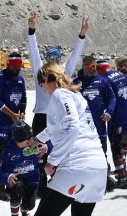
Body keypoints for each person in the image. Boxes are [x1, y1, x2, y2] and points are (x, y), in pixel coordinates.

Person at [34, 62, 108, 216]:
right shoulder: (76, 95)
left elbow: (72, 127)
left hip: (77, 166)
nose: (42, 88)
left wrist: (52, 161)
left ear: (47, 81)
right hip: (98, 168)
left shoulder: (60, 94)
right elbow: (62, 126)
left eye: (41, 83)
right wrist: (38, 139)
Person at [28, 13, 88, 194]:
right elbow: (33, 52)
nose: (53, 60)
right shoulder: (41, 71)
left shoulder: (64, 73)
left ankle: (57, 185)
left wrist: (82, 35)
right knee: (38, 153)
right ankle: (40, 185)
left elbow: (76, 56)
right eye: (50, 57)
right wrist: (32, 31)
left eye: (57, 57)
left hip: (61, 118)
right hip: (41, 116)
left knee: (59, 150)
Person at [0, 49, 27, 201]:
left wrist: (22, 112)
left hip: (15, 125)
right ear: (7, 63)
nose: (15, 67)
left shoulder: (21, 79)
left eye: (18, 64)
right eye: (12, 64)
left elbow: (23, 98)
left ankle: (11, 184)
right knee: (1, 155)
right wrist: (11, 114)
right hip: (2, 124)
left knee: (15, 155)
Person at [73, 56, 116, 184]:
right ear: (83, 66)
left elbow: (112, 99)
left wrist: (109, 112)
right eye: (88, 66)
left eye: (93, 66)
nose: (91, 69)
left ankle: (103, 178)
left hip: (99, 124)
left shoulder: (103, 81)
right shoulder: (76, 83)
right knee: (83, 154)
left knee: (102, 153)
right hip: (82, 127)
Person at [0, 120, 50, 216]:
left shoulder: (35, 142)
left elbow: (54, 142)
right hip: (17, 178)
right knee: (18, 188)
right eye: (27, 140)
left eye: (31, 137)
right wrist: (8, 176)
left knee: (30, 205)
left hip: (32, 178)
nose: (31, 141)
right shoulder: (9, 150)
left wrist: (47, 147)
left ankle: (24, 210)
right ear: (18, 140)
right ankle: (15, 214)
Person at [97, 59, 127, 189]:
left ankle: (122, 177)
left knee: (115, 147)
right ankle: (124, 171)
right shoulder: (121, 75)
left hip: (116, 117)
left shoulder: (105, 79)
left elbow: (107, 99)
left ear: (100, 69)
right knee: (123, 144)